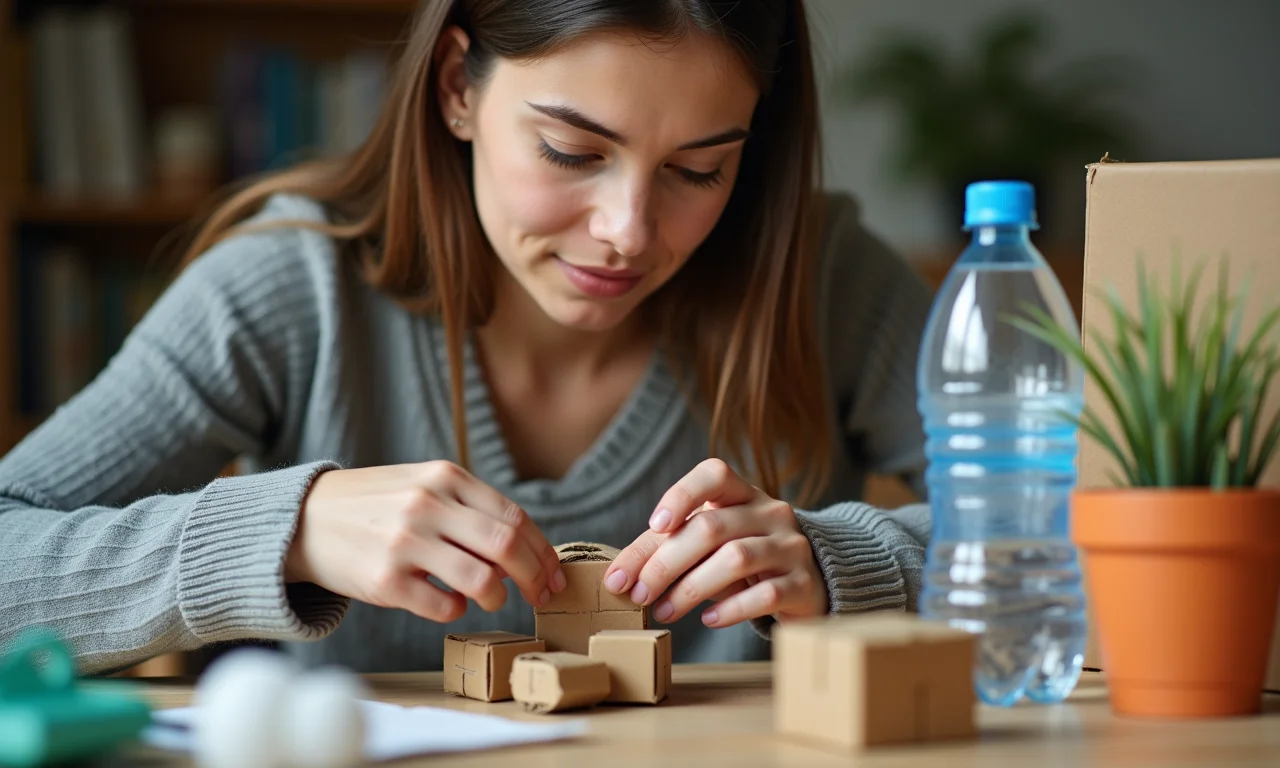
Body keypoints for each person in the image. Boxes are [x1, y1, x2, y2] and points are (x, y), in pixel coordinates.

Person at [0, 0, 934, 676]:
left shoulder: (826, 278)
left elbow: (1033, 524)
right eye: (572, 152)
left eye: (699, 169)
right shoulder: (289, 288)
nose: (628, 231)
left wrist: (844, 563)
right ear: (457, 87)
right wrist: (287, 533)